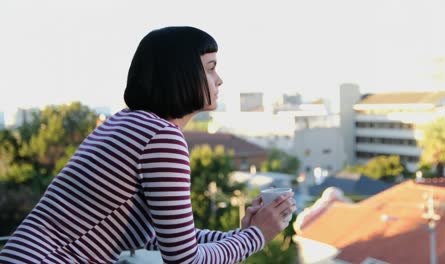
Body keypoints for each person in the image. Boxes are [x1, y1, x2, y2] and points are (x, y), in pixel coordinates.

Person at [0, 26, 296, 264]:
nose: (219, 80)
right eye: (210, 68)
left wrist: (240, 234)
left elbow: (157, 235)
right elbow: (183, 259)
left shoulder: (126, 122)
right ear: (182, 74)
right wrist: (256, 237)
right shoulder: (161, 137)